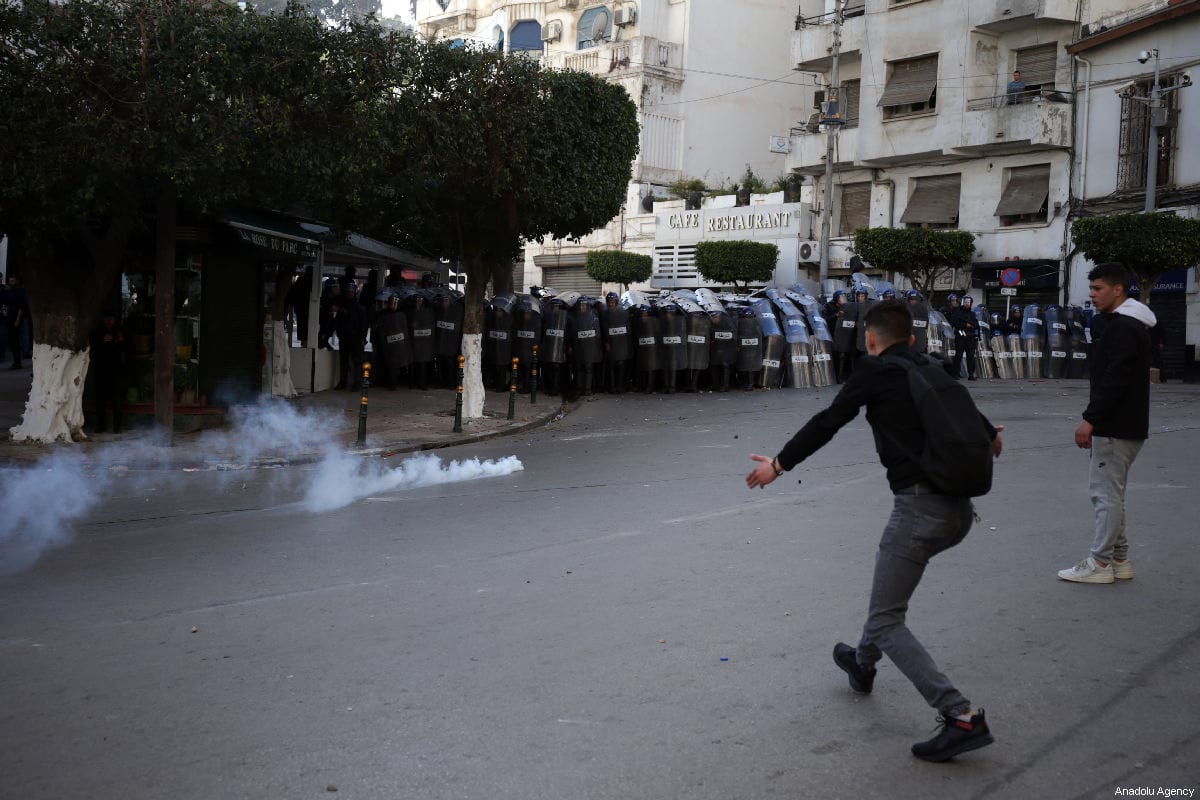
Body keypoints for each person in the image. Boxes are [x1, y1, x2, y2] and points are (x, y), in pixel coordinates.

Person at [745, 301, 1003, 763]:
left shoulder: (875, 371)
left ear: (870, 340)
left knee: (886, 619)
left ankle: (961, 716)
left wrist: (778, 465)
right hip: (958, 512)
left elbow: (829, 421)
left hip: (920, 511)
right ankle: (861, 667)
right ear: (912, 338)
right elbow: (988, 433)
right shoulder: (934, 369)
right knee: (886, 601)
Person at [1057, 262, 1156, 584]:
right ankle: (1119, 559)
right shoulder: (1125, 324)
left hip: (1115, 425)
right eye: (1092, 288)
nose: (1092, 294)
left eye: (1098, 289)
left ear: (1118, 289)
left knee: (1105, 495)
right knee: (1112, 493)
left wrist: (1090, 419)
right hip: (1125, 424)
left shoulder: (1123, 328)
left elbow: (1115, 378)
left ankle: (1100, 564)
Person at [90, 311, 125, 433]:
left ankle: (117, 426)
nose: (109, 322)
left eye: (112, 319)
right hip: (100, 369)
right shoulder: (98, 332)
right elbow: (93, 347)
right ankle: (101, 425)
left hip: (115, 370)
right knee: (100, 399)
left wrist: (120, 341)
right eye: (107, 319)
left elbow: (125, 348)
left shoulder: (119, 331)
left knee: (117, 399)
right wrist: (102, 341)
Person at [6, 275, 29, 370]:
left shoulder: (19, 291)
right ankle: (16, 361)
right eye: (10, 281)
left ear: (16, 281)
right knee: (12, 340)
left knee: (15, 340)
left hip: (16, 319)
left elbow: (21, 307)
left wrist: (18, 320)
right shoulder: (10, 291)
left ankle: (18, 362)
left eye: (12, 281)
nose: (11, 282)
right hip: (11, 318)